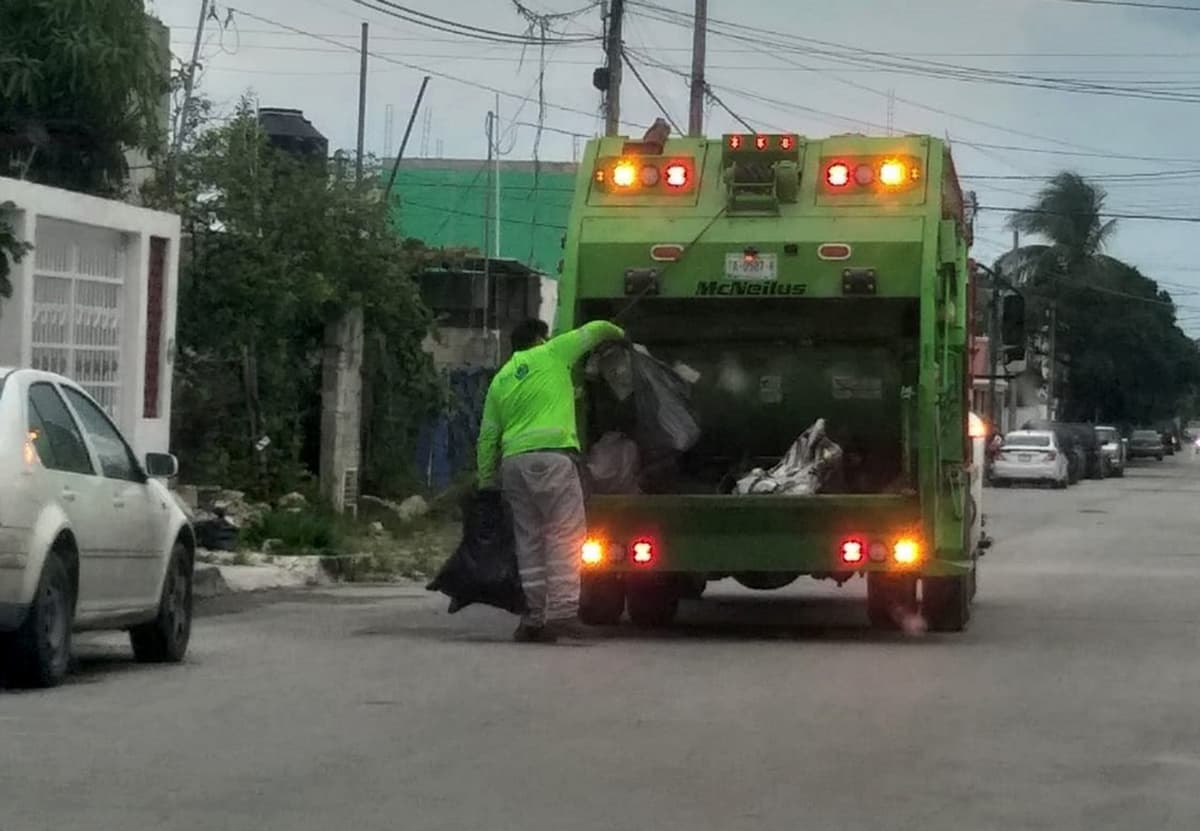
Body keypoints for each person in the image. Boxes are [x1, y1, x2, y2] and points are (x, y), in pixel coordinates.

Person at [477, 317, 626, 643]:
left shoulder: (500, 380)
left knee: (529, 540)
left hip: (514, 464)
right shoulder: (553, 353)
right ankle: (562, 613)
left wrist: (487, 481)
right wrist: (622, 334)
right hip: (552, 460)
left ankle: (534, 617)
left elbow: (488, 437)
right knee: (565, 535)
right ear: (540, 339)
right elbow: (597, 328)